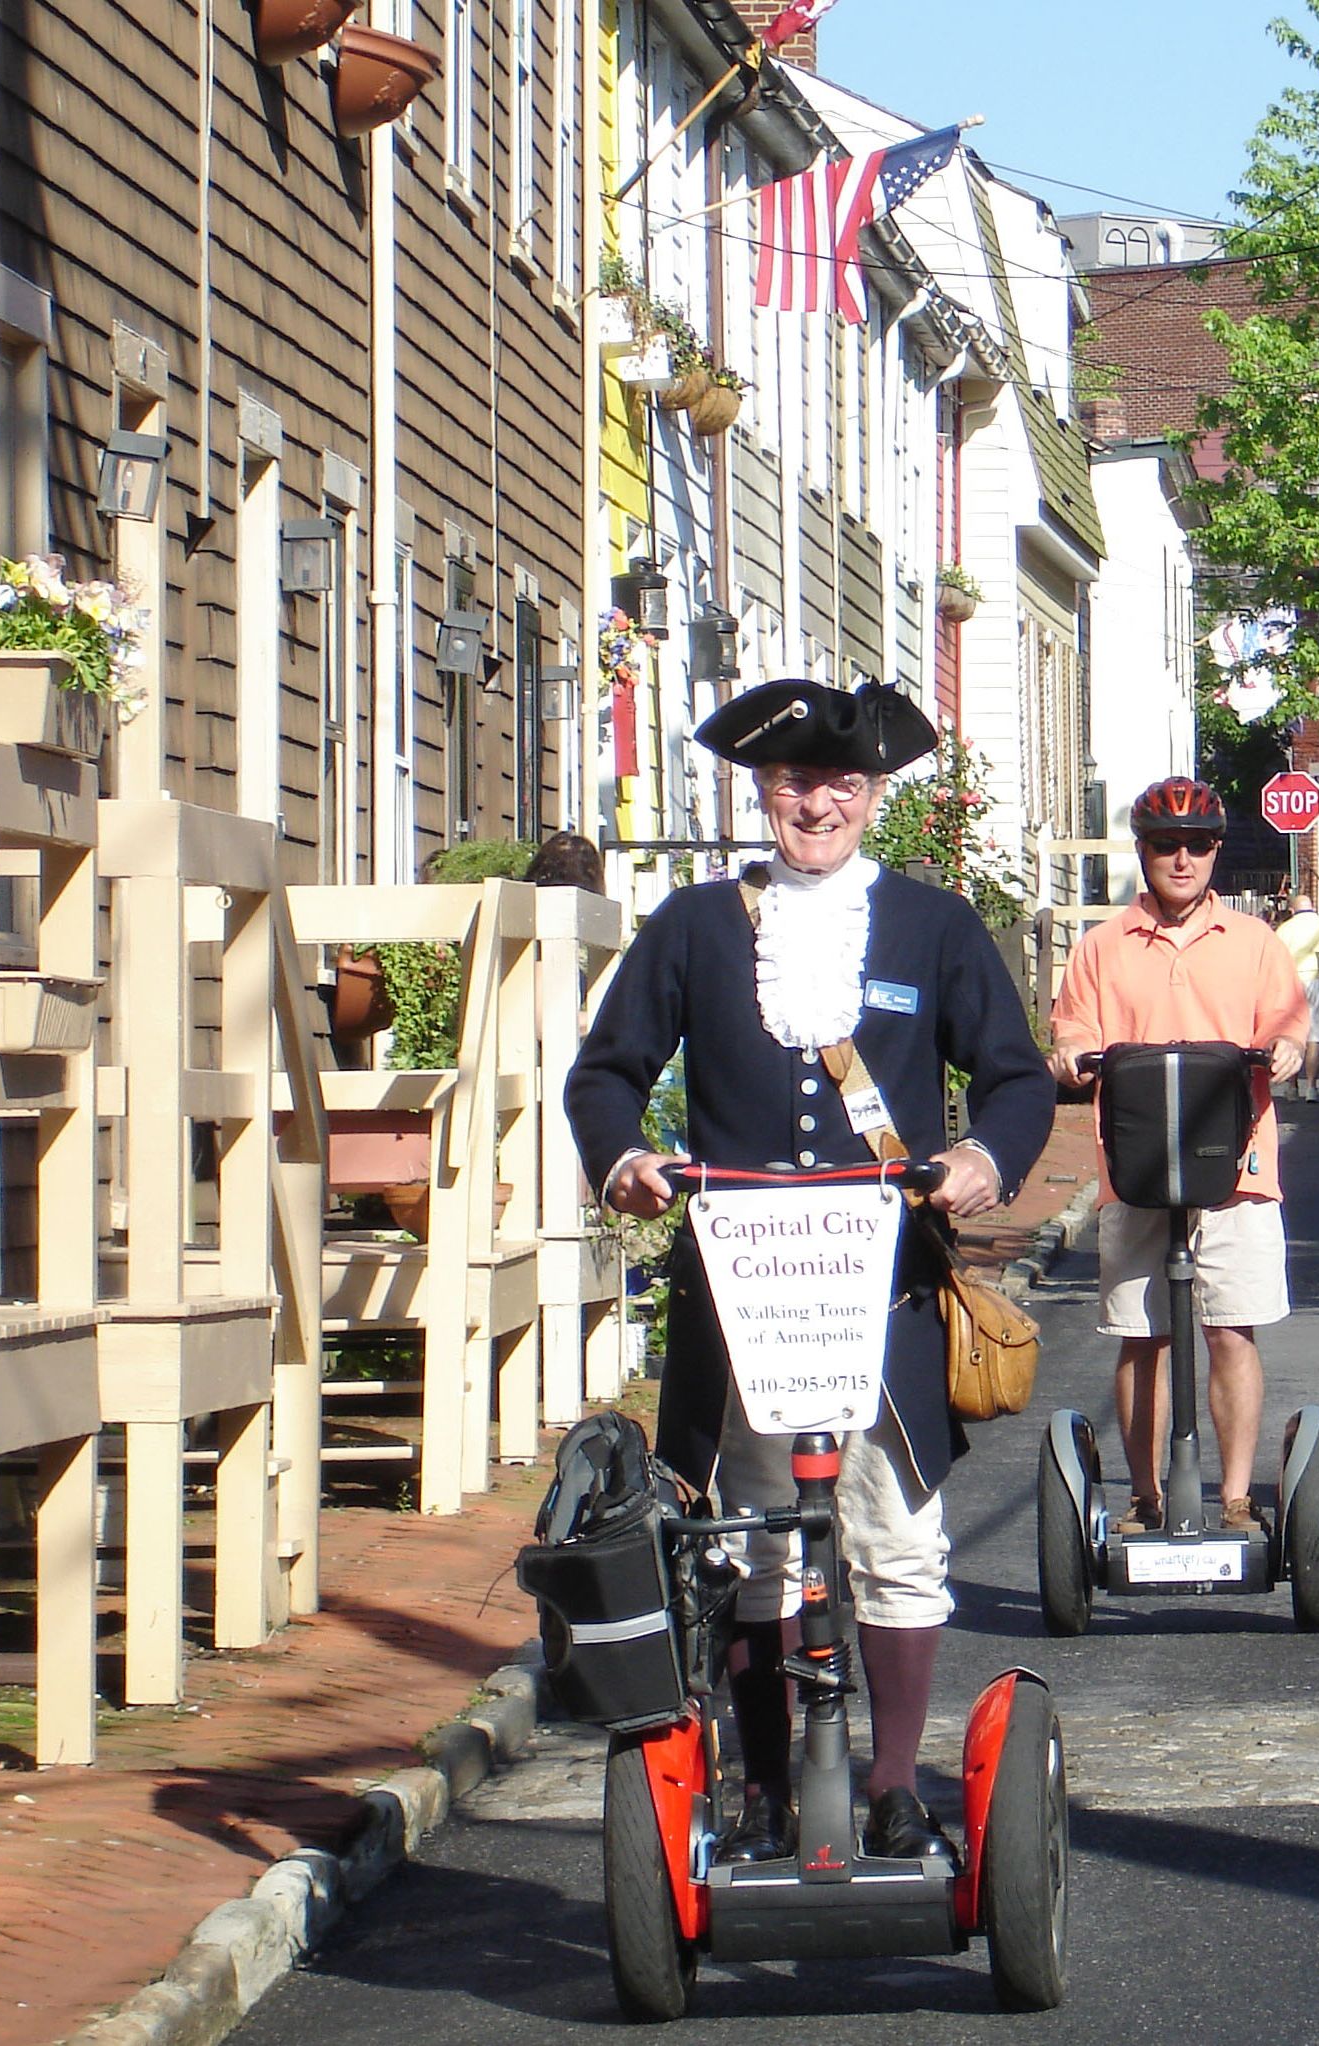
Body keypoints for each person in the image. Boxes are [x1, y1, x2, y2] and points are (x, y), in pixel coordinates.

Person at [565, 678, 1054, 1867]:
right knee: (753, 1544)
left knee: (892, 1537)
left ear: (875, 794)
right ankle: (767, 1792)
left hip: (882, 1287)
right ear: (761, 791)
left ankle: (892, 1789)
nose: (817, 803)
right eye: (794, 783)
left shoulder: (934, 927)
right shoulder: (690, 926)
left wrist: (986, 1158)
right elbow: (605, 1073)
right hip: (740, 1291)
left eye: (841, 783)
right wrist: (624, 1156)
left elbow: (1018, 1079)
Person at [1047, 777, 1311, 1533]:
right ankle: (1144, 1496)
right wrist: (1070, 1055)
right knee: (1143, 1336)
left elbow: (1286, 1023)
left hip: (1235, 1166)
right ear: (1144, 851)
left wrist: (1287, 1048)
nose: (1183, 858)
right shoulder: (1100, 947)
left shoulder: (1256, 943)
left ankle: (1232, 1496)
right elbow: (1073, 1030)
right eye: (1167, 845)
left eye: (1198, 844)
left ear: (1216, 852)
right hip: (1135, 1168)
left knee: (1231, 1330)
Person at [1272, 892, 1319, 1102]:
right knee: (1315, 1038)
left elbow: (1274, 960)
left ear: (1292, 910)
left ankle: (1292, 1086)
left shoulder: (1284, 929)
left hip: (1290, 984)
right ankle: (1312, 1087)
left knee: (1292, 1036)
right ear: (1313, 908)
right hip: (1318, 982)